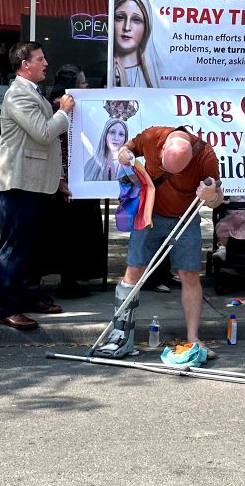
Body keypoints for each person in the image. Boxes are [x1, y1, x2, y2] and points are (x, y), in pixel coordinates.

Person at [96, 126, 222, 359]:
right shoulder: (153, 136)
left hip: (184, 218)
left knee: (190, 275)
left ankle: (193, 338)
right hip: (149, 214)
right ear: (162, 149)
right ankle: (120, 334)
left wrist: (210, 196)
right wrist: (124, 152)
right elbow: (129, 147)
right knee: (134, 271)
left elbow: (217, 199)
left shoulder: (205, 155)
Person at [0, 42, 74, 331]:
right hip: (18, 184)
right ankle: (6, 309)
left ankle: (27, 295)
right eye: (40, 58)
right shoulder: (17, 95)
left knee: (30, 248)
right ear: (25, 64)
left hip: (35, 183)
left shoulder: (31, 92)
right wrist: (64, 113)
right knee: (14, 248)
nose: (46, 63)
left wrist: (58, 179)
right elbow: (44, 133)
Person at [47, 64, 103, 299]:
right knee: (71, 232)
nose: (87, 87)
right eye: (83, 83)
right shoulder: (61, 106)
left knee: (75, 231)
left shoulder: (61, 104)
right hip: (68, 180)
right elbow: (57, 143)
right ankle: (68, 281)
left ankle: (71, 279)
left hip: (76, 177)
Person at [112, 0, 161, 88]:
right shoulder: (102, 70)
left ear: (146, 27)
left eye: (136, 20)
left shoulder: (150, 76)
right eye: (120, 17)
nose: (126, 27)